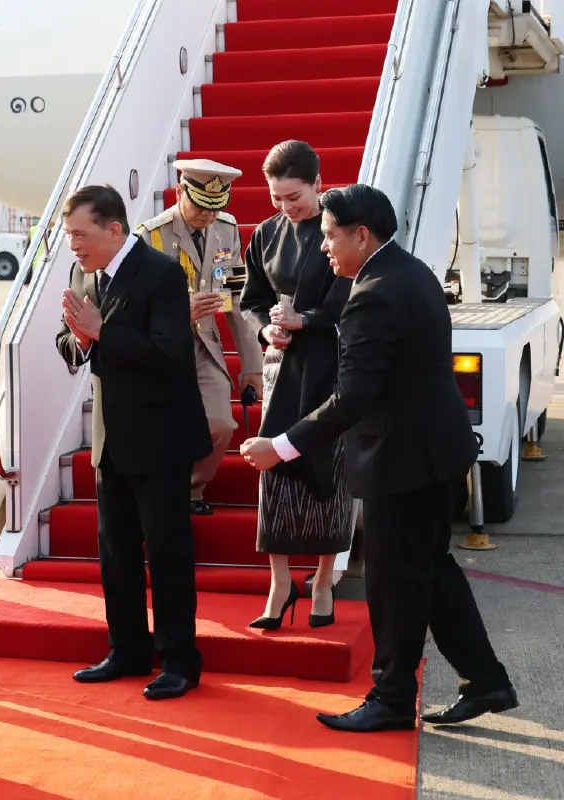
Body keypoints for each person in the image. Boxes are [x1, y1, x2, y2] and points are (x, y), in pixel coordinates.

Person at [241, 184, 518, 732]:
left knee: (393, 583)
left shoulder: (374, 292)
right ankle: (486, 681)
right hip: (431, 452)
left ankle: (391, 699)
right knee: (430, 572)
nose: (322, 248)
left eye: (328, 236)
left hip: (404, 462)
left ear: (360, 235)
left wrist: (282, 446)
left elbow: (353, 397)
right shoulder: (406, 271)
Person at [56, 184, 210, 700]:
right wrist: (78, 340)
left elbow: (168, 352)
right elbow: (73, 341)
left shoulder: (163, 273)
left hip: (161, 435)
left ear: (114, 229)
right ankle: (127, 649)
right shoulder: (84, 272)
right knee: (115, 551)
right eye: (69, 234)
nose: (73, 245)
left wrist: (101, 332)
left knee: (167, 551)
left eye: (80, 233)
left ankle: (179, 661)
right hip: (112, 436)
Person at [239, 141, 355, 629]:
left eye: (294, 196)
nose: (286, 207)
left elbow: (347, 298)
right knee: (274, 463)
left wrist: (304, 320)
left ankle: (325, 578)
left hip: (329, 360)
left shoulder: (338, 229)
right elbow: (252, 299)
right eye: (277, 198)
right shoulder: (266, 233)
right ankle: (280, 581)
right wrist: (267, 326)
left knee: (328, 464)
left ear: (317, 184)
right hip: (280, 362)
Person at [137, 159, 264, 516]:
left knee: (221, 424)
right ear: (179, 193)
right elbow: (133, 305)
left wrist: (251, 365)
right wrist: (179, 311)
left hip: (205, 344)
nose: (209, 216)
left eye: (216, 207)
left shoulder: (226, 229)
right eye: (201, 206)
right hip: (161, 346)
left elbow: (237, 298)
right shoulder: (151, 236)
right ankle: (164, 490)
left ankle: (192, 487)